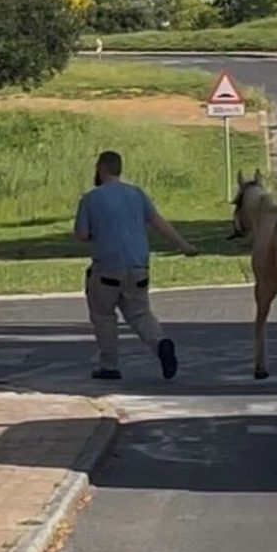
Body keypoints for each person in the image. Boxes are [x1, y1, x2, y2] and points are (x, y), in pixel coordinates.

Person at [74, 150, 199, 382]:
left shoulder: (90, 198)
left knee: (103, 316)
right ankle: (160, 342)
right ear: (119, 169)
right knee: (140, 314)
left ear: (100, 169)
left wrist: (98, 233)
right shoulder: (137, 194)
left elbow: (82, 234)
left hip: (106, 269)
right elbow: (158, 222)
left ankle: (110, 365)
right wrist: (184, 245)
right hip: (138, 268)